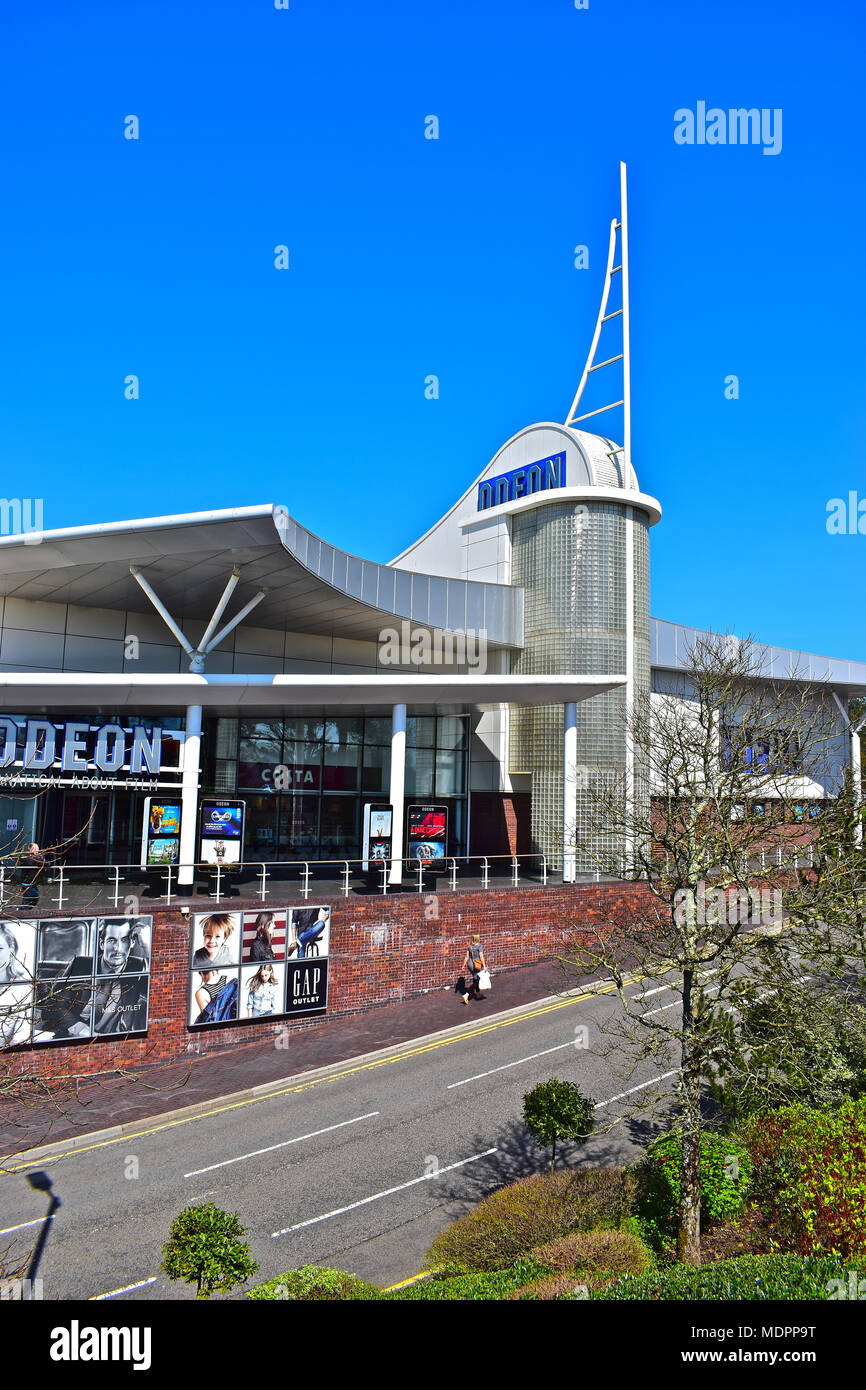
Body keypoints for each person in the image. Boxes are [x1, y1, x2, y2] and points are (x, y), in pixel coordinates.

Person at [16, 843, 46, 907]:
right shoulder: (27, 857)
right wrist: (42, 861)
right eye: (34, 848)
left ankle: (21, 912)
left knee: (26, 900)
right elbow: (35, 862)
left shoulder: (37, 857)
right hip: (28, 881)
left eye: (37, 848)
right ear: (30, 849)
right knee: (34, 899)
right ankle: (23, 912)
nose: (37, 850)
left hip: (31, 881)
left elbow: (45, 863)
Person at [461, 934, 486, 1005]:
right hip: (477, 965)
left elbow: (466, 957)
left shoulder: (469, 947)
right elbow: (481, 956)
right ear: (477, 939)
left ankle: (478, 994)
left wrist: (463, 965)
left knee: (476, 978)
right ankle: (466, 995)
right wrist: (484, 965)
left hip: (470, 965)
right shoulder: (479, 946)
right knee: (476, 980)